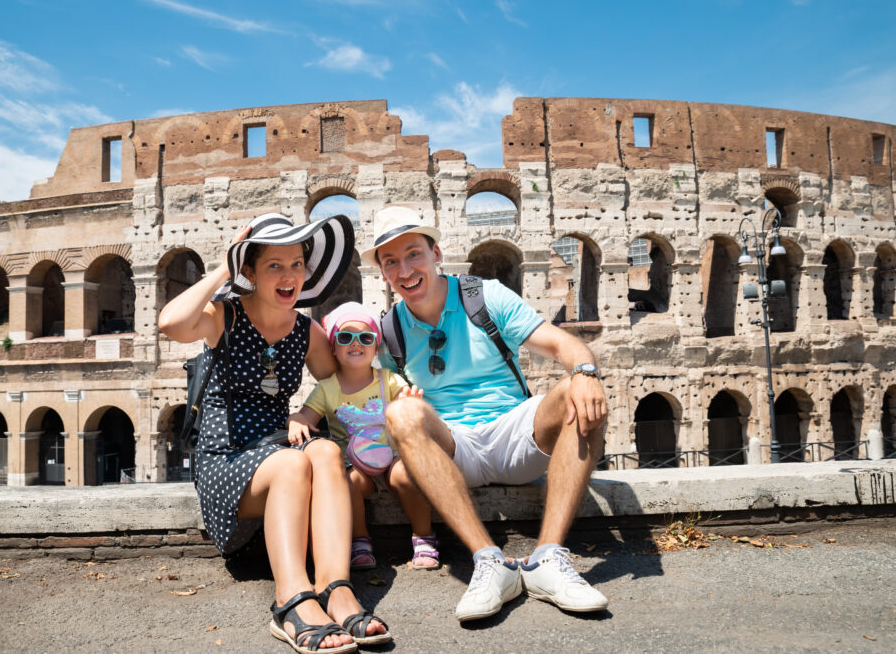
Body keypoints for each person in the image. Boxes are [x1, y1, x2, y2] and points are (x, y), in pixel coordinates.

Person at [361, 205, 610, 623]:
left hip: (515, 433)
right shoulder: (388, 330)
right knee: (402, 413)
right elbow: (337, 366)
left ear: (436, 253)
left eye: (414, 254)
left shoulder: (483, 295)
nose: (405, 270)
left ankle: (548, 558)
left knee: (576, 390)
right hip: (456, 448)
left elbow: (561, 344)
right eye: (391, 262)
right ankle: (489, 561)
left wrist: (585, 371)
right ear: (383, 273)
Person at [158, 213, 389, 653]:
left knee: (321, 453)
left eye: (298, 264)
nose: (290, 276)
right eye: (274, 266)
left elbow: (341, 384)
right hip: (227, 459)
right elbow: (171, 322)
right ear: (250, 271)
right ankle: (291, 602)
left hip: (282, 451)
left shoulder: (306, 331)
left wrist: (317, 413)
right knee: (291, 462)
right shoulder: (223, 316)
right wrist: (225, 267)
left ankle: (336, 590)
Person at [287, 302, 440, 572]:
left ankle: (423, 535)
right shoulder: (327, 388)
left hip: (391, 457)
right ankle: (360, 539)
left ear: (374, 347)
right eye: (345, 337)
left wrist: (410, 403)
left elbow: (406, 402)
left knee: (407, 474)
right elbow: (306, 416)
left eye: (365, 338)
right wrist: (296, 421)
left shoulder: (388, 379)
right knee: (348, 482)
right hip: (355, 464)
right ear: (333, 345)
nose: (355, 343)